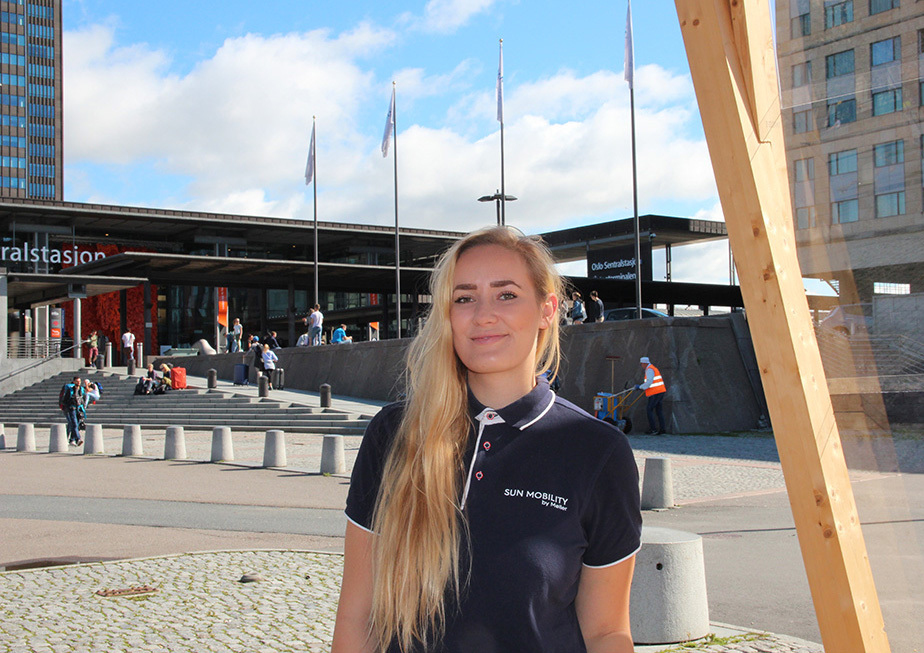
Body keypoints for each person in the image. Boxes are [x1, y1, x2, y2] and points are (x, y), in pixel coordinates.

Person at [332, 226, 641, 653]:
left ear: (548, 309)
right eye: (464, 298)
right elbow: (357, 615)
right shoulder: (394, 434)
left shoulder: (597, 451)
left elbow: (606, 631)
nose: (482, 315)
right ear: (447, 314)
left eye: (506, 294)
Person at [635, 356, 667, 435]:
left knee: (649, 410)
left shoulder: (649, 370)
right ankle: (662, 429)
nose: (641, 366)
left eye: (642, 364)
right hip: (660, 391)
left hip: (655, 393)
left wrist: (640, 387)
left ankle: (653, 429)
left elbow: (649, 382)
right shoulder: (653, 368)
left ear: (644, 363)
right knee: (659, 411)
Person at [58, 376, 84, 447]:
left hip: (78, 409)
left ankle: (72, 439)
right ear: (74, 382)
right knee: (74, 423)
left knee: (76, 424)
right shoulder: (70, 390)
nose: (79, 383)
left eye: (79, 381)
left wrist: (83, 407)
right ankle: (78, 439)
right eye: (77, 381)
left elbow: (82, 399)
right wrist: (70, 406)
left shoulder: (81, 389)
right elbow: (65, 400)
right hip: (71, 408)